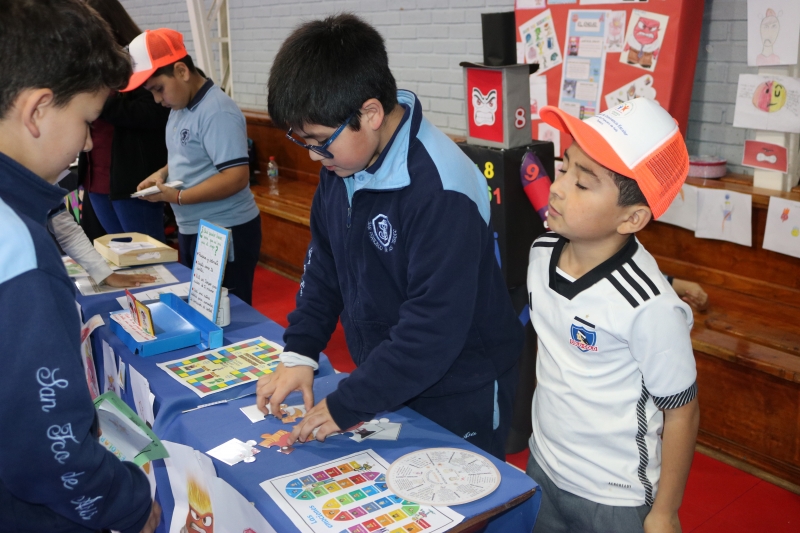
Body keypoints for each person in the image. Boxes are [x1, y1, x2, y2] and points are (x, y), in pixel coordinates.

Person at [255, 14, 523, 460]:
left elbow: (432, 330)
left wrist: (347, 404)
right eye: (304, 142)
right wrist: (300, 352)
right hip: (388, 376)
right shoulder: (343, 162)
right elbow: (325, 264)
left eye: (320, 142)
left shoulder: (441, 189)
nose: (316, 157)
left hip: (460, 388)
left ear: (371, 113)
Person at [0, 1, 159, 531]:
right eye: (87, 121)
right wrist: (130, 503)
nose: (90, 141)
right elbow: (48, 447)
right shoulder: (17, 252)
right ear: (38, 109)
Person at [525, 97, 700, 533]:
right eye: (564, 167)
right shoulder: (540, 253)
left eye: (583, 184)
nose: (559, 187)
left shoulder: (652, 309)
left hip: (614, 498)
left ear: (632, 217)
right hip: (543, 465)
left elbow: (682, 412)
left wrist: (665, 512)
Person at [129, 29, 262, 305]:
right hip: (193, 226)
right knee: (201, 308)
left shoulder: (217, 111)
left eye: (158, 89)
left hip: (225, 228)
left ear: (181, 71)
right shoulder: (180, 108)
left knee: (226, 312)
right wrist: (163, 173)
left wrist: (177, 197)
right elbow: (190, 154)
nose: (157, 100)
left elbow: (236, 176)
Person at [76, 0, 171, 243]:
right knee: (117, 254)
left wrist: (98, 102)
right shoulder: (90, 64)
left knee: (148, 255)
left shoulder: (139, 60)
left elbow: (155, 113)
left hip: (132, 177)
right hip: (96, 175)